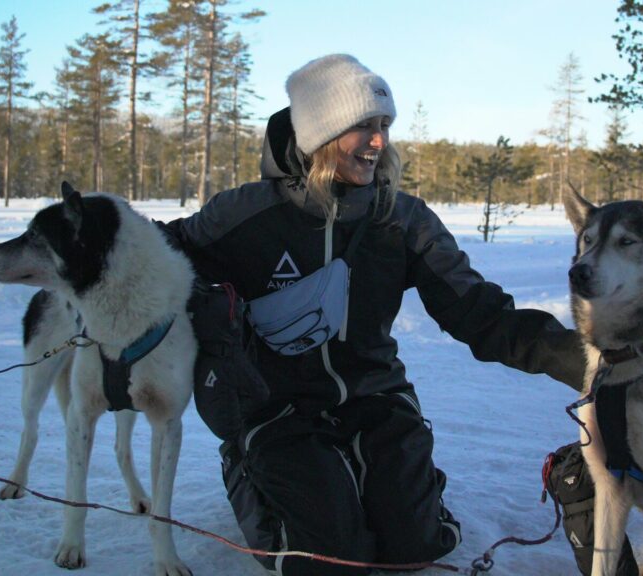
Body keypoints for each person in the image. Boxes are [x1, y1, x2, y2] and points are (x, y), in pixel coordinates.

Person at [165, 54, 584, 576]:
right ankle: (246, 466)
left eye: (384, 125)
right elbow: (159, 251)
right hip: (277, 408)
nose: (380, 141)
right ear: (321, 133)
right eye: (363, 125)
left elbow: (479, 312)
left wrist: (586, 364)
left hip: (374, 397)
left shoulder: (404, 220)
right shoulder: (247, 213)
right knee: (329, 559)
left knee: (416, 545)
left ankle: (389, 488)